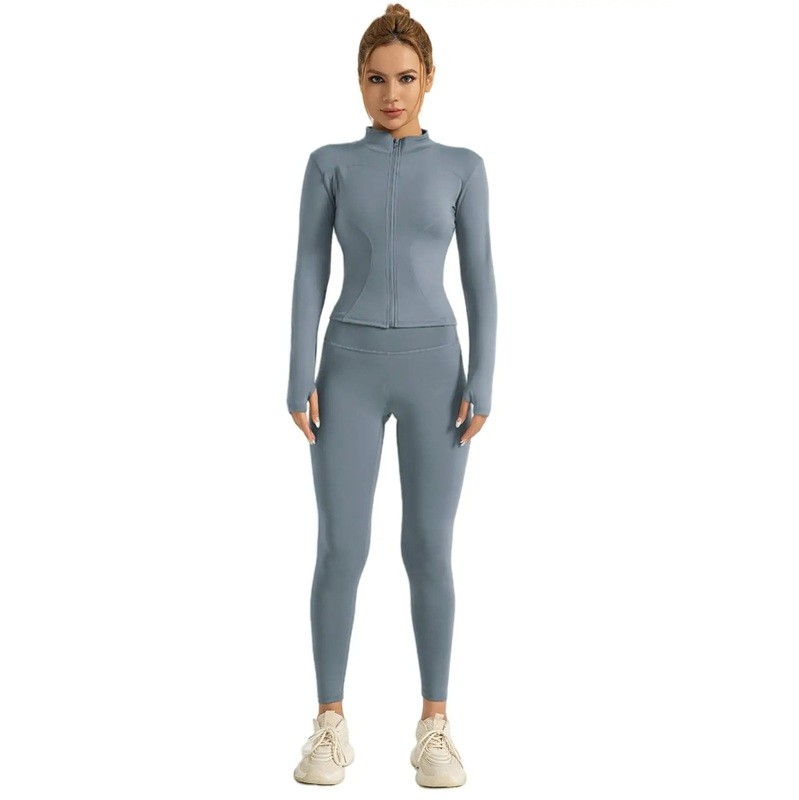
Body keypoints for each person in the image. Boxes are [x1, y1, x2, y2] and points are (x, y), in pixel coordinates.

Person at [287, 3, 497, 788]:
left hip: (435, 370)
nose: (391, 95)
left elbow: (480, 277)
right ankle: (329, 724)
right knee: (341, 546)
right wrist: (297, 372)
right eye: (376, 79)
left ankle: (434, 726)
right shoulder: (329, 163)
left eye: (405, 78)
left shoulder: (463, 167)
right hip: (346, 367)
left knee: (428, 548)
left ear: (429, 79)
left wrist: (483, 376)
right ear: (359, 81)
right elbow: (309, 271)